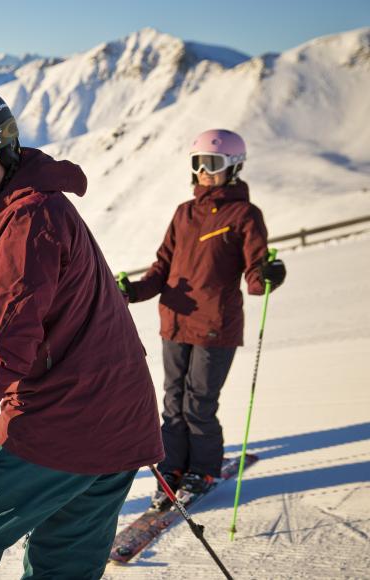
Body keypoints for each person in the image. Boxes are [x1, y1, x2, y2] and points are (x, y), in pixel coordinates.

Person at [0, 87, 163, 579]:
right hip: (120, 423)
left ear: (5, 143)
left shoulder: (26, 220)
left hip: (61, 423)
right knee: (63, 565)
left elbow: (3, 346)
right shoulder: (43, 207)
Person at [117, 129, 286, 507]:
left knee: (199, 404)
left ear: (235, 166)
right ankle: (174, 467)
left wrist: (269, 276)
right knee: (173, 401)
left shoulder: (244, 214)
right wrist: (132, 292)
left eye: (214, 164)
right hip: (175, 321)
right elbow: (161, 269)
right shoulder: (184, 213)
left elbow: (255, 274)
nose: (205, 172)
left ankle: (204, 469)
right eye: (199, 164)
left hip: (216, 326)